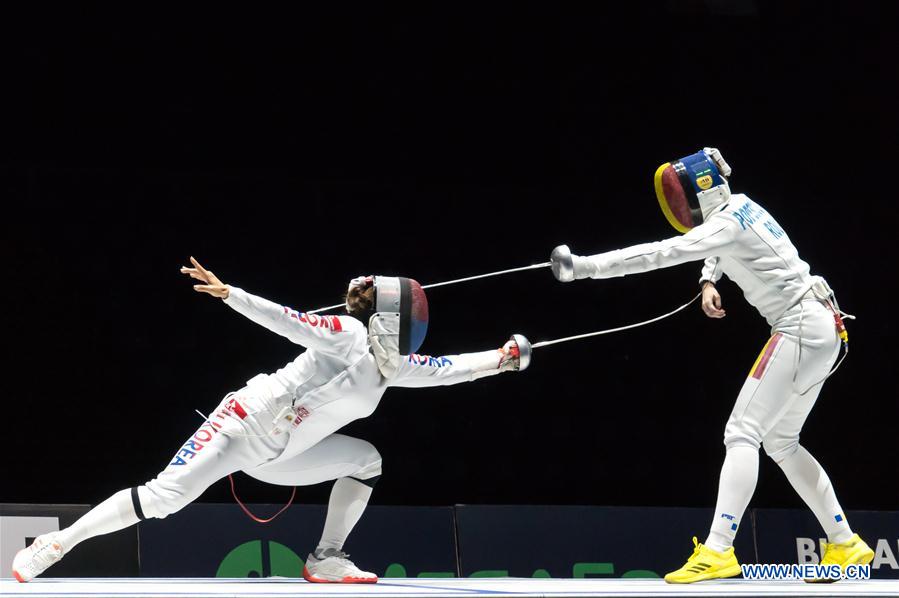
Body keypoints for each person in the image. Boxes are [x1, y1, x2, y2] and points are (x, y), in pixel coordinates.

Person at [13, 257, 525, 584]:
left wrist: (499, 358)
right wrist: (230, 293)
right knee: (162, 498)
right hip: (240, 425)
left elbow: (447, 370)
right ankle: (54, 545)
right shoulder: (344, 332)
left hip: (284, 457)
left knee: (367, 460)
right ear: (390, 319)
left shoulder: (390, 371)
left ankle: (326, 557)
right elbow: (288, 320)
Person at [550, 148, 873, 584]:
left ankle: (719, 549)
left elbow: (660, 254)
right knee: (781, 441)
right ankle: (846, 543)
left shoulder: (724, 224)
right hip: (824, 327)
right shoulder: (744, 206)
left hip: (799, 327)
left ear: (698, 192)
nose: (680, 209)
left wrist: (584, 268)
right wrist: (707, 279)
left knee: (742, 432)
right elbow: (722, 245)